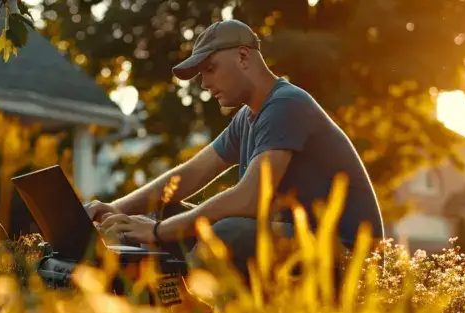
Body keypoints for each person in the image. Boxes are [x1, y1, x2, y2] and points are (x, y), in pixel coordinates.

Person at [86, 19, 385, 286]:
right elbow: (189, 175)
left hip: (348, 256)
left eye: (210, 69)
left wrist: (158, 232)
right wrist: (118, 209)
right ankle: (168, 307)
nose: (205, 83)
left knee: (226, 233)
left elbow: (248, 198)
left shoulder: (286, 104)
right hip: (295, 238)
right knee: (164, 208)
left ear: (243, 57)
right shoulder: (248, 118)